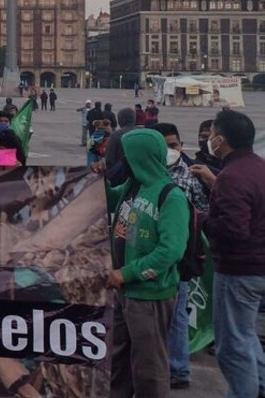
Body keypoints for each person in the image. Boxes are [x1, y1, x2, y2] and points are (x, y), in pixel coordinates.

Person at [107, 128, 189, 398]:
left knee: (149, 368)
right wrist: (90, 180)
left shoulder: (170, 196)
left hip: (149, 295)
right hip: (124, 292)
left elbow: (170, 251)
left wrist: (127, 273)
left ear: (141, 157)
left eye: (127, 157)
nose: (123, 162)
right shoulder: (134, 186)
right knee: (118, 361)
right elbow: (104, 197)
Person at [199, 110, 265, 398]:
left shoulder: (232, 176)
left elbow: (234, 230)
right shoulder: (258, 168)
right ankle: (260, 385)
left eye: (212, 134)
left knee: (232, 347)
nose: (210, 139)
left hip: (238, 271)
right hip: (258, 267)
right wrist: (216, 184)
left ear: (222, 140)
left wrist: (199, 220)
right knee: (247, 335)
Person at [154, 122, 209, 390]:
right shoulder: (144, 175)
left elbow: (203, 211)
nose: (170, 151)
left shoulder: (191, 176)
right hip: (149, 256)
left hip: (177, 258)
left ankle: (178, 369)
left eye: (174, 145)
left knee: (176, 317)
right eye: (164, 146)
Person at [104, 108, 139, 185]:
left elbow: (109, 159)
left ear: (121, 120)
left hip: (121, 176)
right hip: (140, 175)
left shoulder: (115, 135)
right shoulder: (142, 133)